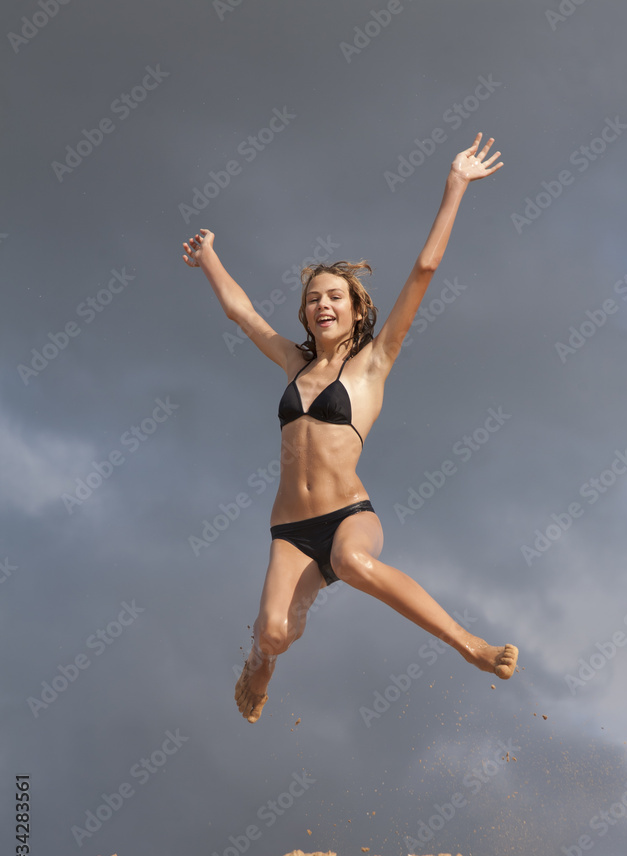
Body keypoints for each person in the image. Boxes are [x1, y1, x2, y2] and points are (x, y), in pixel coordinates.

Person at [183, 132, 518, 724]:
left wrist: (456, 185)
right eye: (313, 299)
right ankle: (259, 663)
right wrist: (209, 256)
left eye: (334, 296)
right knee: (276, 632)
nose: (322, 306)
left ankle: (471, 645)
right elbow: (242, 313)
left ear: (357, 308)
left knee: (357, 565)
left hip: (350, 518)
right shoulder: (295, 362)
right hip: (290, 529)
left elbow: (425, 267)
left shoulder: (375, 361)